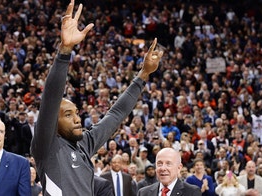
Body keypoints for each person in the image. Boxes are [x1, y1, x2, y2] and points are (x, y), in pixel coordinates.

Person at [30, 0, 164, 195]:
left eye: (76, 113)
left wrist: (143, 74)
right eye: (68, 115)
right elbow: (51, 98)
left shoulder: (85, 143)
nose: (77, 119)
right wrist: (65, 51)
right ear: (53, 123)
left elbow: (116, 114)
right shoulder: (46, 145)